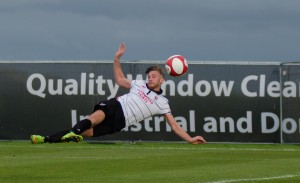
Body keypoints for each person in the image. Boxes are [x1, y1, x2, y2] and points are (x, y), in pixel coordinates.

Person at [30, 43, 206, 145]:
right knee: (94, 116)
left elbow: (174, 126)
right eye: (148, 76)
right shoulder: (139, 84)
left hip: (121, 122)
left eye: (153, 76)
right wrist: (117, 59)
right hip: (117, 105)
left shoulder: (162, 102)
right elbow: (120, 80)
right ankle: (46, 139)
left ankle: (53, 138)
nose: (149, 78)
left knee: (85, 132)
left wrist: (190, 139)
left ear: (162, 80)